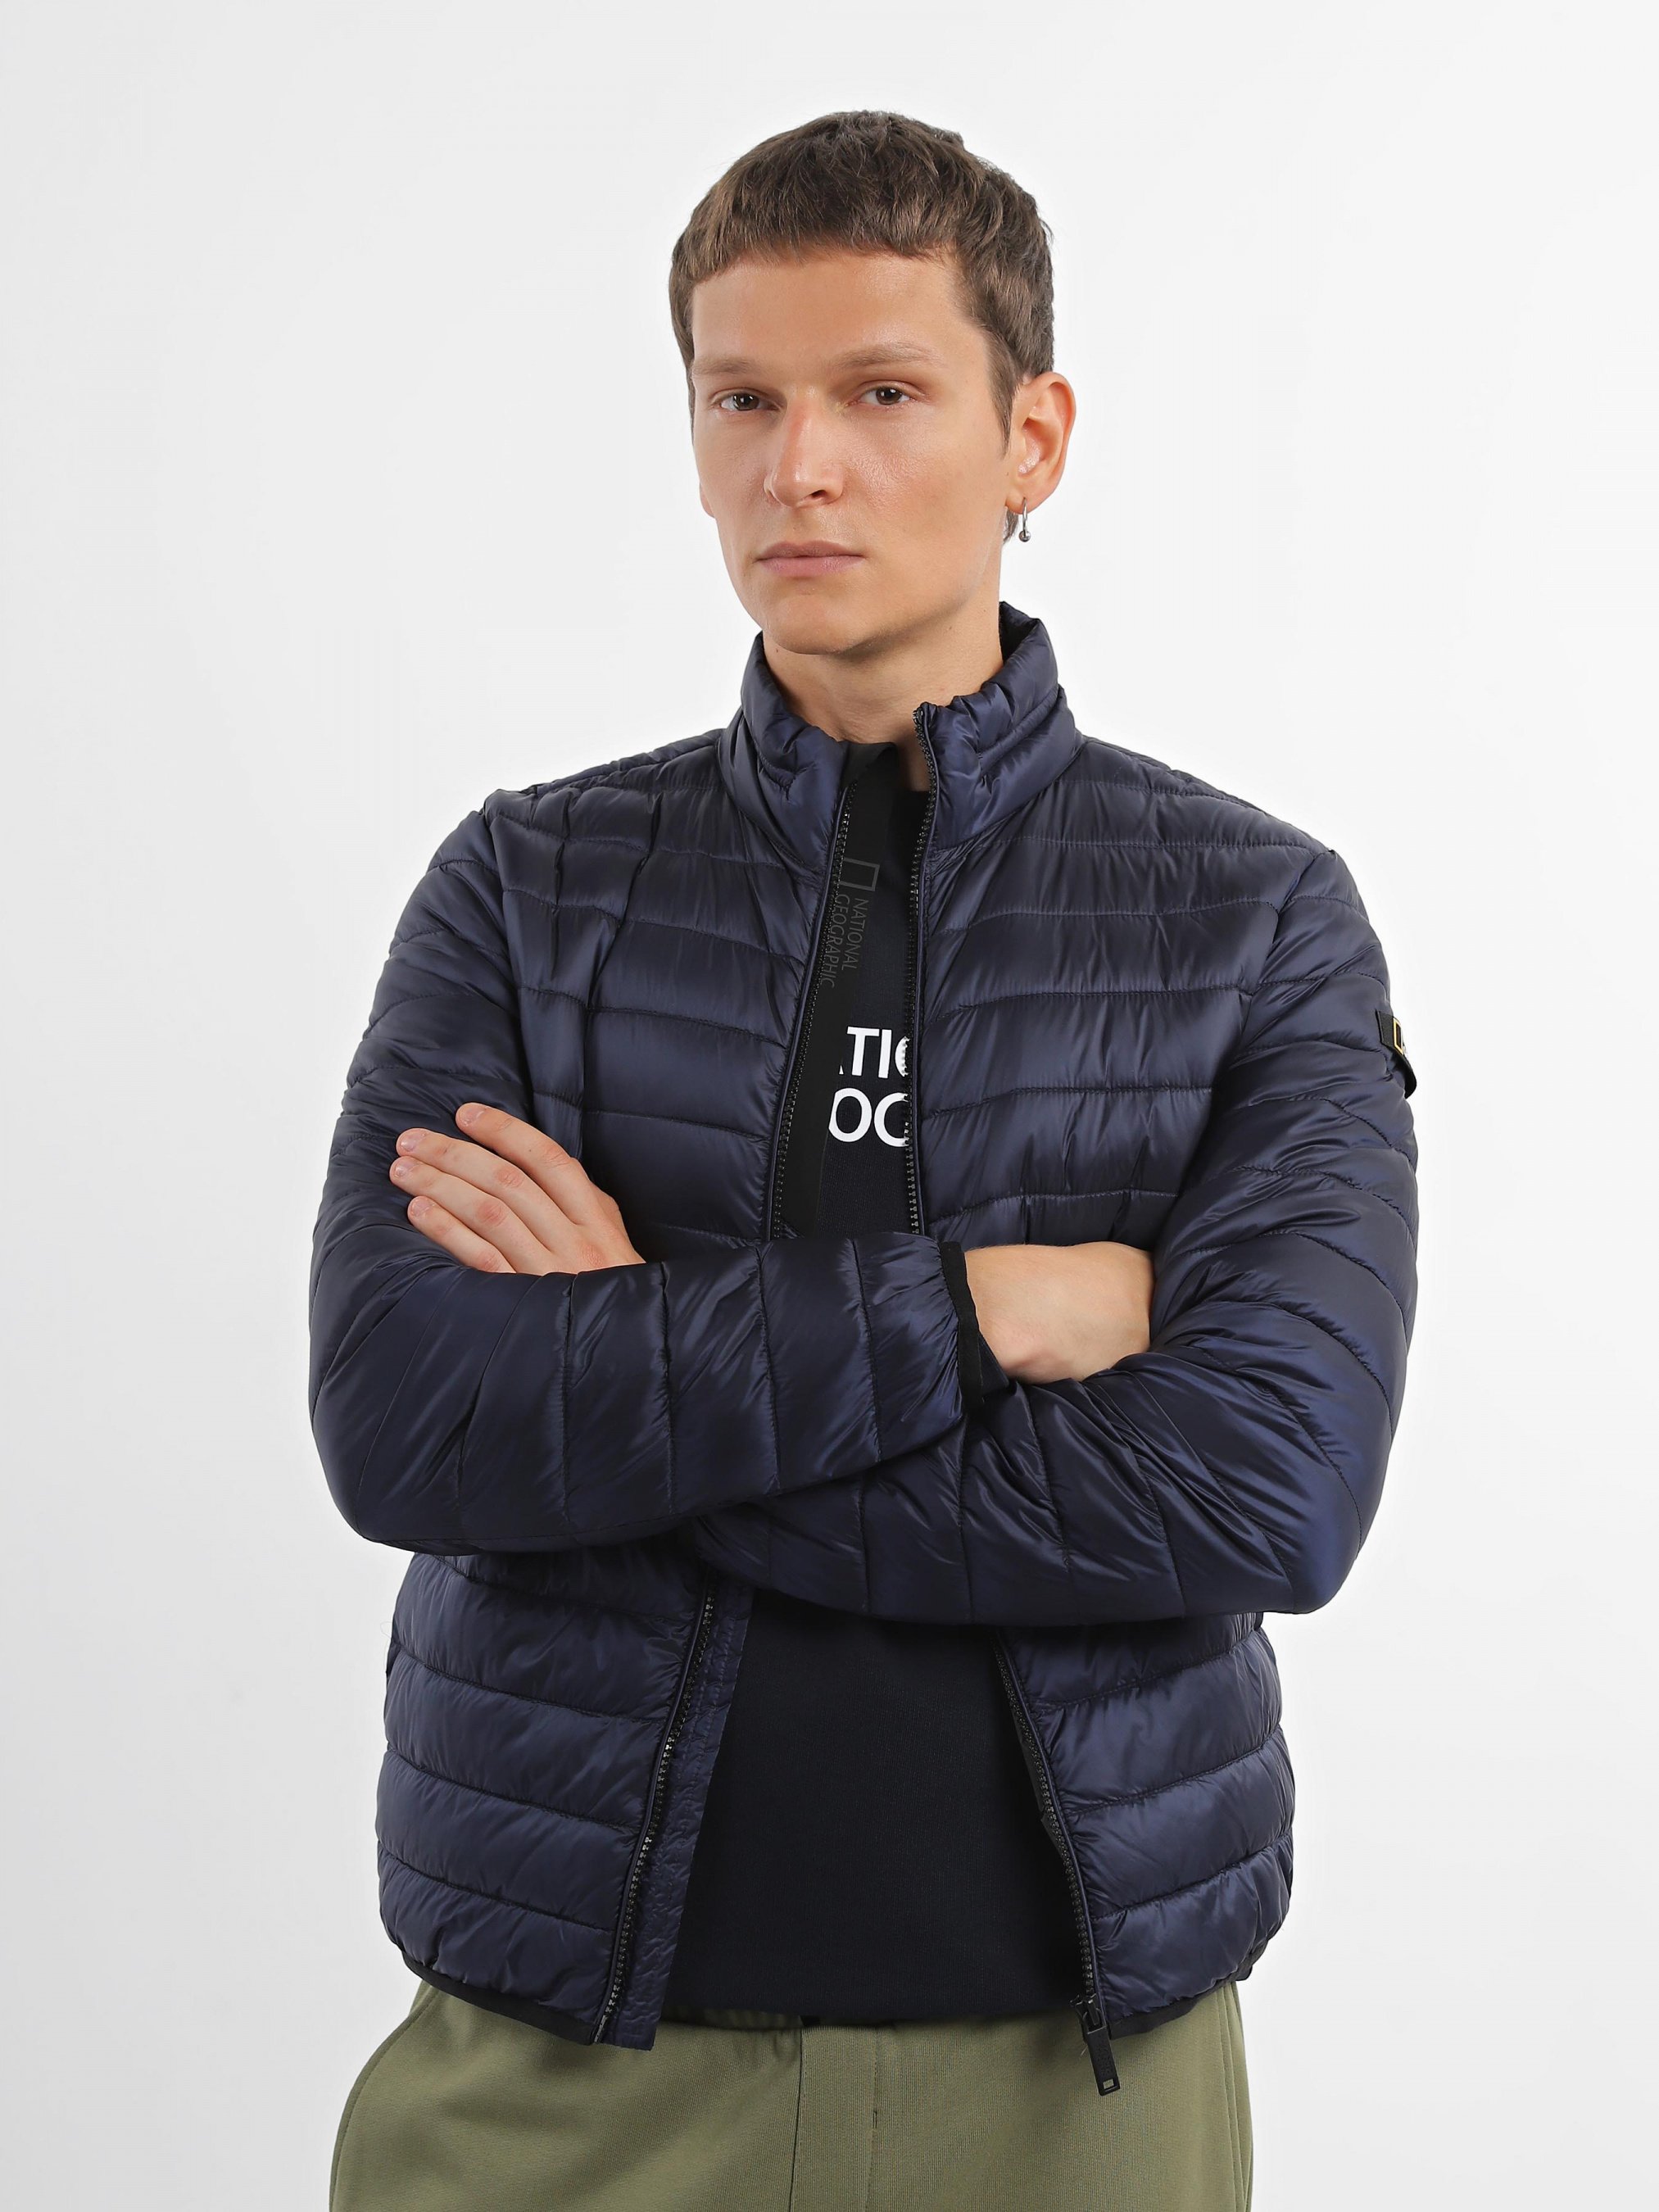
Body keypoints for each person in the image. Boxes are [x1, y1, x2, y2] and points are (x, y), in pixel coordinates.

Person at [314, 108, 1418, 2212]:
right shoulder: (527, 890)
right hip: (553, 2072)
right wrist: (985, 1312)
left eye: (882, 394)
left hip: (1077, 2081)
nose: (796, 467)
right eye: (741, 398)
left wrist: (639, 1367)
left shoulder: (1252, 916)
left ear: (1031, 439)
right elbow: (411, 1424)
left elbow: (1262, 1487)